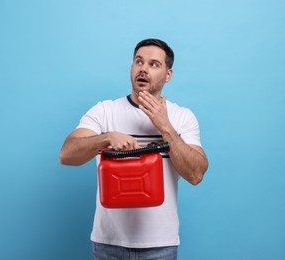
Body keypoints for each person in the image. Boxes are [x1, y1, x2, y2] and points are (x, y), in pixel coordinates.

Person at [59, 38, 208, 260]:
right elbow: (66, 155)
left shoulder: (182, 117)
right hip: (108, 244)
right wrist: (106, 138)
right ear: (131, 68)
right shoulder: (104, 111)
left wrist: (165, 127)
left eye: (154, 64)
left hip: (160, 246)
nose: (144, 69)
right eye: (139, 62)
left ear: (168, 75)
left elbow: (196, 174)